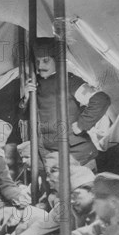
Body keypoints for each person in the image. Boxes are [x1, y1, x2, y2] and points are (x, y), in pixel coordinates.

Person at [22, 37, 111, 169]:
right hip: (50, 156)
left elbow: (101, 99)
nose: (40, 66)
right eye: (38, 61)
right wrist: (26, 97)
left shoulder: (70, 81)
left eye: (46, 61)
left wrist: (82, 124)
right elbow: (24, 117)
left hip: (77, 155)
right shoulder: (34, 85)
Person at [2, 165, 96, 235]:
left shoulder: (106, 213)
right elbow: (40, 226)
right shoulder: (65, 207)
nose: (71, 200)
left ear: (93, 192)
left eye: (76, 194)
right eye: (68, 196)